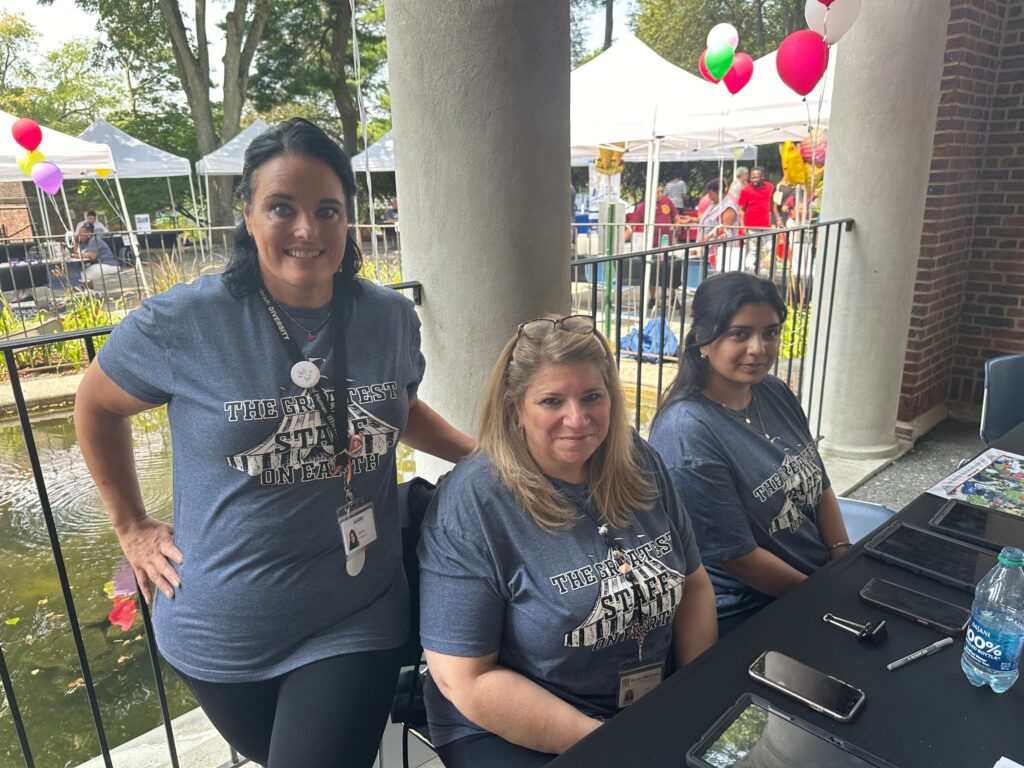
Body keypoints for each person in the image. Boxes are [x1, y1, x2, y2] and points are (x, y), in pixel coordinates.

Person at [73, 118, 475, 768]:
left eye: (328, 210)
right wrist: (131, 525)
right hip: (215, 634)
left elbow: (394, 406)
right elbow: (94, 406)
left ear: (350, 220)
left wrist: (480, 456)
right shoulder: (184, 322)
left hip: (354, 613)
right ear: (249, 215)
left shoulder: (388, 318)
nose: (308, 231)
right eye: (282, 208)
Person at [418, 314, 718, 767]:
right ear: (515, 407)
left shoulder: (636, 459)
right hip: (511, 727)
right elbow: (466, 679)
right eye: (552, 400)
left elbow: (694, 586)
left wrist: (694, 698)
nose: (577, 420)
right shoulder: (474, 501)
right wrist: (613, 742)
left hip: (646, 705)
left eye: (592, 396)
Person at [648, 272, 851, 637]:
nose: (759, 349)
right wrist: (826, 596)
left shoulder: (772, 390)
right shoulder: (687, 433)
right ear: (703, 341)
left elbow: (820, 486)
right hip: (753, 609)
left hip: (818, 578)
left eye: (770, 332)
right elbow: (740, 561)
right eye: (740, 334)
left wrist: (843, 555)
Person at [626, 186, 681, 311]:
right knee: (653, 271)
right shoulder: (642, 207)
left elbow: (676, 217)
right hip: (651, 244)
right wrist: (622, 238)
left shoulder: (667, 202)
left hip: (667, 243)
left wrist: (677, 225)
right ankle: (652, 297)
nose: (660, 194)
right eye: (657, 192)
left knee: (670, 269)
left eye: (661, 192)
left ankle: (673, 297)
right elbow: (632, 225)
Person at [75, 222, 120, 287]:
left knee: (83, 275)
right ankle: (90, 292)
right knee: (79, 273)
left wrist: (76, 256)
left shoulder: (94, 240)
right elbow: (77, 253)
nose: (79, 235)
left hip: (108, 264)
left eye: (81, 233)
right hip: (98, 264)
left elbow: (92, 256)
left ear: (89, 234)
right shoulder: (84, 242)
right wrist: (76, 242)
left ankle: (90, 293)